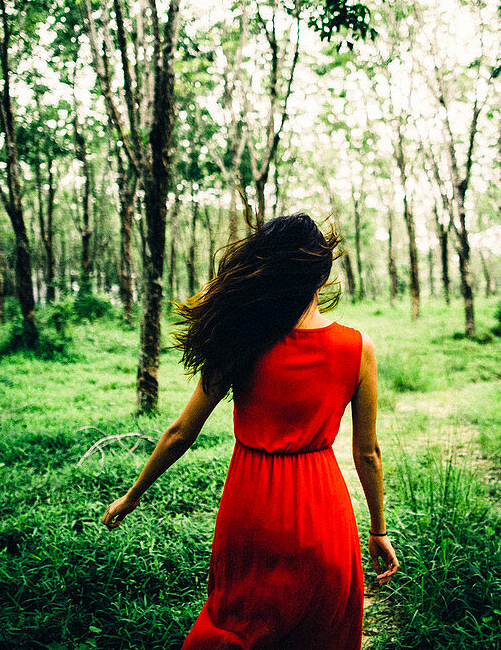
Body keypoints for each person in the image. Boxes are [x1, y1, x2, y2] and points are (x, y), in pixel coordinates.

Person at [102, 212, 398, 649]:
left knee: (236, 624)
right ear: (322, 274)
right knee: (322, 632)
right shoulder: (358, 348)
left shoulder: (241, 339)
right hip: (323, 514)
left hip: (251, 507)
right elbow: (367, 452)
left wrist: (133, 495)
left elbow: (182, 432)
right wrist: (377, 529)